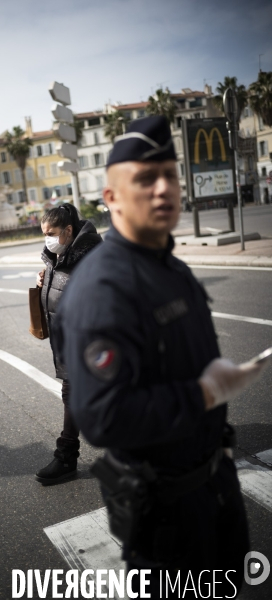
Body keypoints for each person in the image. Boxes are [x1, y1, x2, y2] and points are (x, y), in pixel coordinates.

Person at [55, 117, 267, 597]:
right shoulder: (102, 288)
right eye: (145, 179)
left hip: (214, 487)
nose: (162, 188)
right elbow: (105, 417)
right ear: (110, 198)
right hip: (167, 514)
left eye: (170, 175)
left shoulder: (169, 264)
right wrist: (205, 393)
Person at [35, 202, 102, 485]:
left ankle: (66, 457)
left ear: (69, 230)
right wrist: (44, 283)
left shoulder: (93, 260)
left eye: (51, 232)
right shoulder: (55, 258)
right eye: (44, 234)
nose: (47, 239)